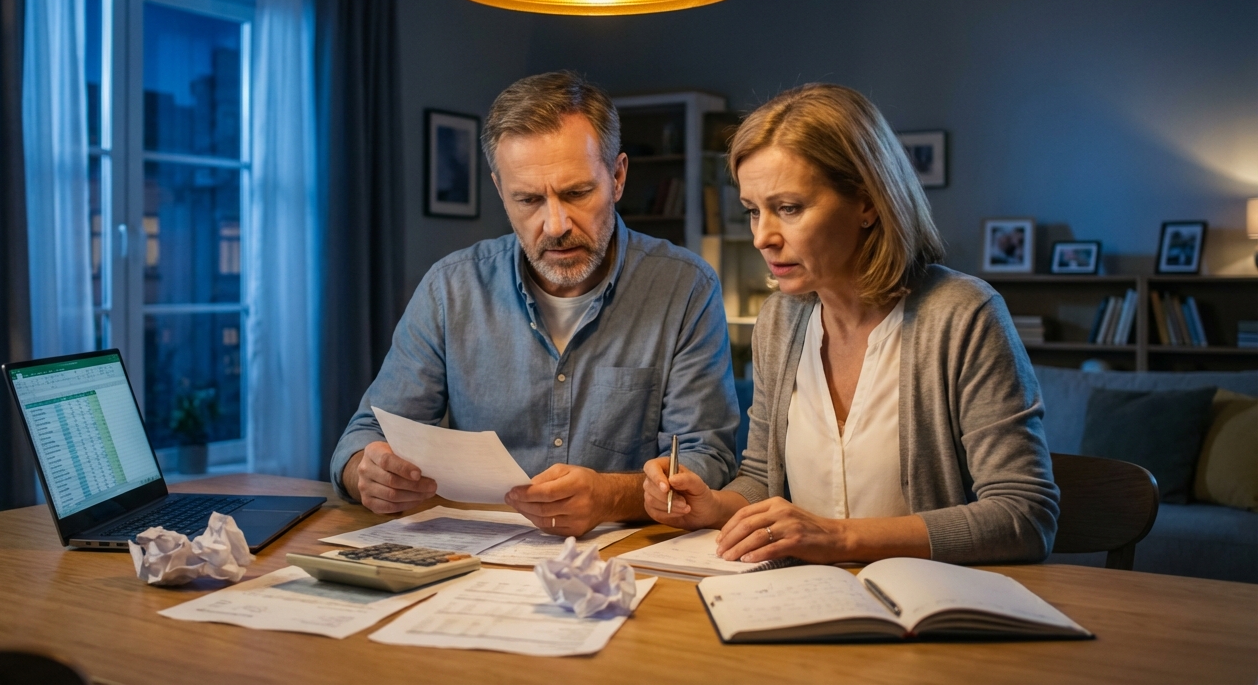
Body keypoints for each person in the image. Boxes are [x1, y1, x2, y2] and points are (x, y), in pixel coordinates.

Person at [643, 83, 1058, 565]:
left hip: (929, 610)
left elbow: (1024, 516)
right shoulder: (779, 321)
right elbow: (761, 476)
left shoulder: (963, 314)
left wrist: (837, 538)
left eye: (789, 208)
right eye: (753, 211)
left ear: (867, 202)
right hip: (806, 598)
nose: (762, 237)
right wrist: (713, 506)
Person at [333, 71, 739, 536]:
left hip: (621, 560)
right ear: (499, 190)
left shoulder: (684, 287)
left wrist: (609, 497)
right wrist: (367, 471)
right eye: (527, 199)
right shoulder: (451, 288)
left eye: (577, 193)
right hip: (473, 558)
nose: (555, 224)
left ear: (619, 176)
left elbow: (707, 458)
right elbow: (365, 435)